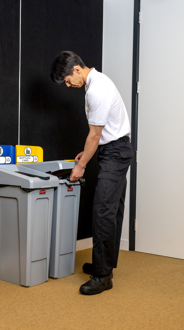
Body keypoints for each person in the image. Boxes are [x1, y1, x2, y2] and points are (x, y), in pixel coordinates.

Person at [50, 51, 133, 295]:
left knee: (103, 212)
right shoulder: (97, 83)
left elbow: (95, 135)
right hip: (115, 150)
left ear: (76, 69)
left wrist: (81, 165)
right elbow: (98, 135)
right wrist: (85, 155)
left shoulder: (97, 89)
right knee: (113, 211)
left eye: (66, 80)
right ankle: (104, 264)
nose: (67, 85)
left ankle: (103, 276)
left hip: (115, 152)